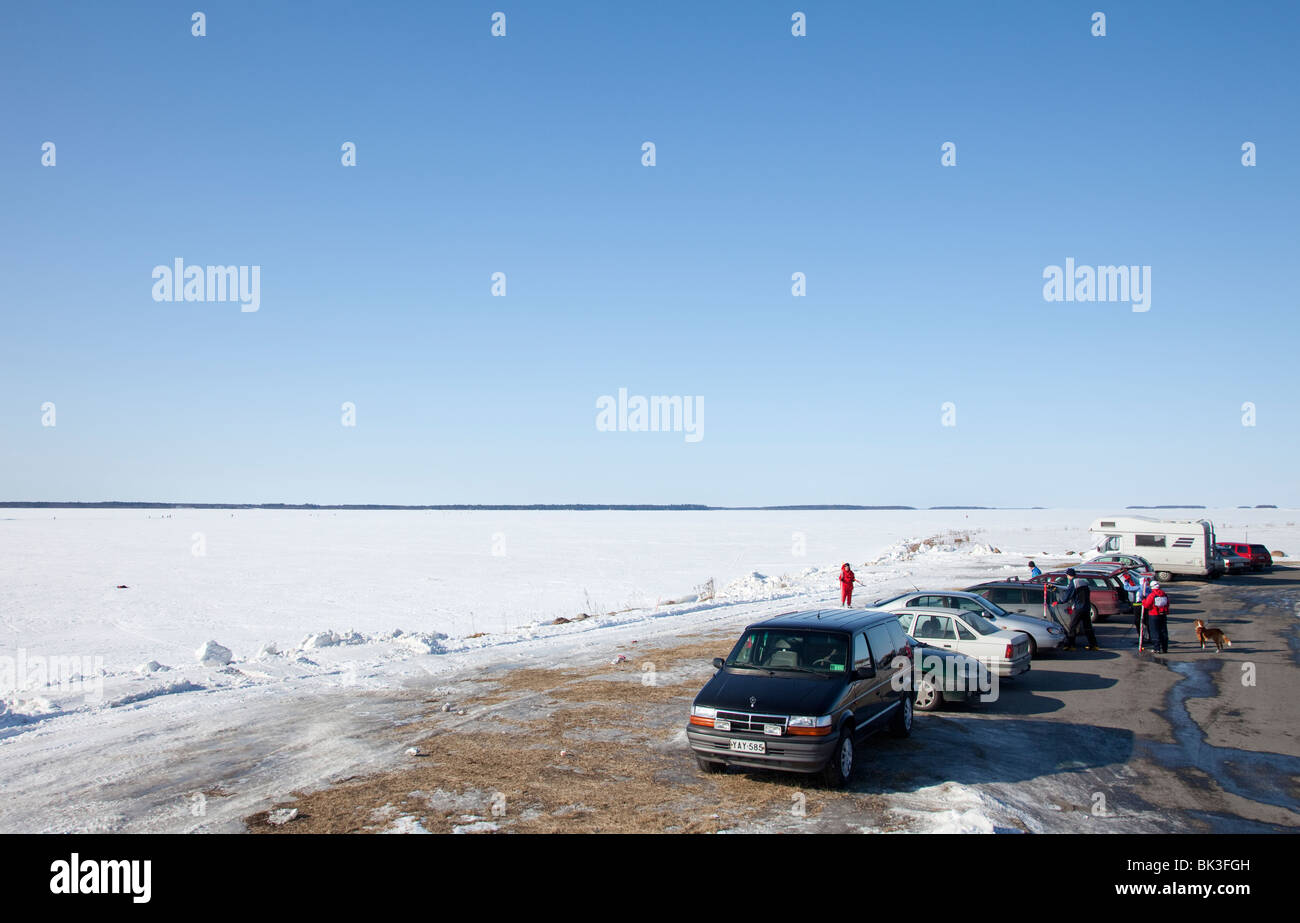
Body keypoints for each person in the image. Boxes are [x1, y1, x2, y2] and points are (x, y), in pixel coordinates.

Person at [1055, 568, 1099, 651]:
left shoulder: (1073, 583)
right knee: (1088, 627)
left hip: (1078, 608)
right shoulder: (1083, 582)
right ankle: (1094, 645)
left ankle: (1071, 646)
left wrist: (1059, 601)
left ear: (1068, 575)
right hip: (1087, 607)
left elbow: (1067, 596)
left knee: (1072, 627)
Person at [1141, 581, 1170, 653]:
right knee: (1163, 631)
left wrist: (1143, 600)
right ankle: (1165, 648)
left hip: (1154, 615)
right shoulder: (1164, 594)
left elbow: (1147, 605)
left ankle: (1157, 648)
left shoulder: (1152, 595)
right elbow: (1167, 604)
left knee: (1155, 632)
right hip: (1163, 615)